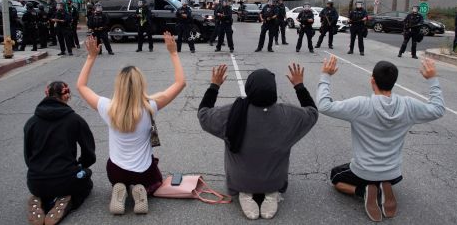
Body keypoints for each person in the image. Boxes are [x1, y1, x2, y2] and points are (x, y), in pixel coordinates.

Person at [316, 55, 445, 222]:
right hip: (393, 173)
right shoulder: (409, 105)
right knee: (384, 176)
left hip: (364, 172)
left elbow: (324, 105)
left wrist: (325, 75)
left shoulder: (361, 105)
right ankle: (383, 185)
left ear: (372, 81)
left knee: (335, 177)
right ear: (394, 82)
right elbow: (438, 109)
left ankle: (364, 191)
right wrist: (433, 79)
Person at [76, 32, 186, 215]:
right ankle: (139, 188)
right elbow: (180, 83)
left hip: (116, 171)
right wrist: (173, 53)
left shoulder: (108, 108)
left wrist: (91, 57)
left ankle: (120, 187)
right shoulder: (150, 106)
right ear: (141, 84)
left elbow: (81, 86)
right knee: (154, 177)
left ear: (118, 85)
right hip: (144, 172)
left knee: (116, 171)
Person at [198, 64, 318, 220]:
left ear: (249, 88)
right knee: (272, 180)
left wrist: (214, 86)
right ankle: (271, 193)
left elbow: (203, 114)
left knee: (244, 176)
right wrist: (299, 86)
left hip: (239, 180)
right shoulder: (289, 115)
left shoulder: (232, 113)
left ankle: (245, 193)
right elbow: (312, 112)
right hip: (275, 180)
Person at [24, 81, 96, 225]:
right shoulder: (75, 120)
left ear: (46, 94)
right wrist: (80, 165)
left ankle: (42, 199)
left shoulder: (31, 122)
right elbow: (89, 154)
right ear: (66, 96)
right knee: (86, 180)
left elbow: (28, 158)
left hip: (35, 182)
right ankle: (66, 201)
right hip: (65, 180)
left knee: (46, 185)